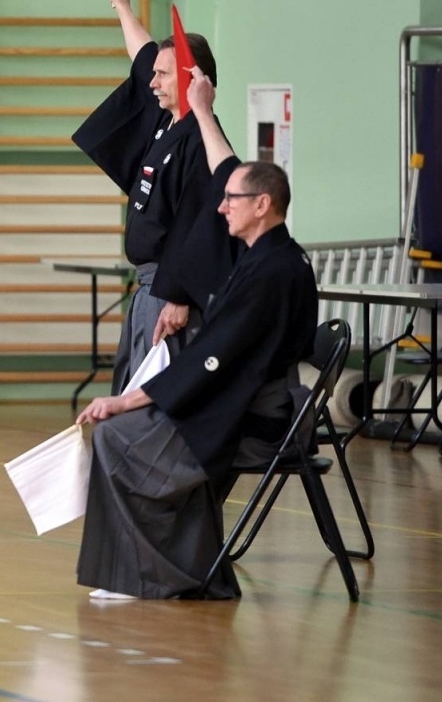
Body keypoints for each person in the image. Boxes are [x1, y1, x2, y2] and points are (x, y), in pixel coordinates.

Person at [71, 68, 318, 599]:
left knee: (118, 437)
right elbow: (224, 166)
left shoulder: (273, 273)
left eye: (231, 199)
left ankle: (152, 575)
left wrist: (129, 401)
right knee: (121, 431)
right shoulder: (260, 256)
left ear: (262, 206)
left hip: (251, 416)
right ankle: (159, 571)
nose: (220, 205)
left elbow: (215, 358)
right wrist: (202, 109)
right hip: (231, 398)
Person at [72, 0, 238, 387]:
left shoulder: (201, 139)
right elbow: (144, 55)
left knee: (155, 395)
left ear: (189, 79)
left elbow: (201, 223)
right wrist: (123, 5)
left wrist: (179, 295)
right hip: (149, 284)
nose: (152, 82)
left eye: (164, 75)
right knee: (131, 386)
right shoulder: (164, 123)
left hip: (170, 287)